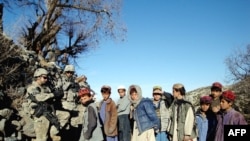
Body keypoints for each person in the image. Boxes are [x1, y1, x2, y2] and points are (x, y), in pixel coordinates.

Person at [25, 68, 61, 141]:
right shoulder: (32, 88)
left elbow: (51, 98)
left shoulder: (46, 88)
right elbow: (38, 97)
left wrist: (58, 95)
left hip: (48, 110)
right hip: (39, 113)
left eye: (47, 77)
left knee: (65, 115)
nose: (46, 79)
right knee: (42, 139)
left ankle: (53, 133)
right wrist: (53, 94)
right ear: (38, 77)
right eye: (44, 77)